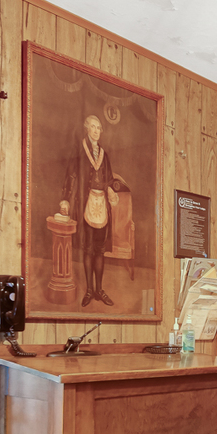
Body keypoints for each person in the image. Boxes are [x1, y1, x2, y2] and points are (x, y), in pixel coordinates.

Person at [65, 114, 129, 307]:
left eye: (98, 127)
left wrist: (110, 190)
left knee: (100, 250)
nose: (96, 130)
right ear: (87, 129)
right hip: (86, 204)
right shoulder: (79, 150)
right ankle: (89, 290)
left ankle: (99, 291)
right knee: (88, 249)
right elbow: (71, 176)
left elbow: (109, 179)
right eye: (92, 127)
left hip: (101, 206)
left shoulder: (104, 154)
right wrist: (65, 199)